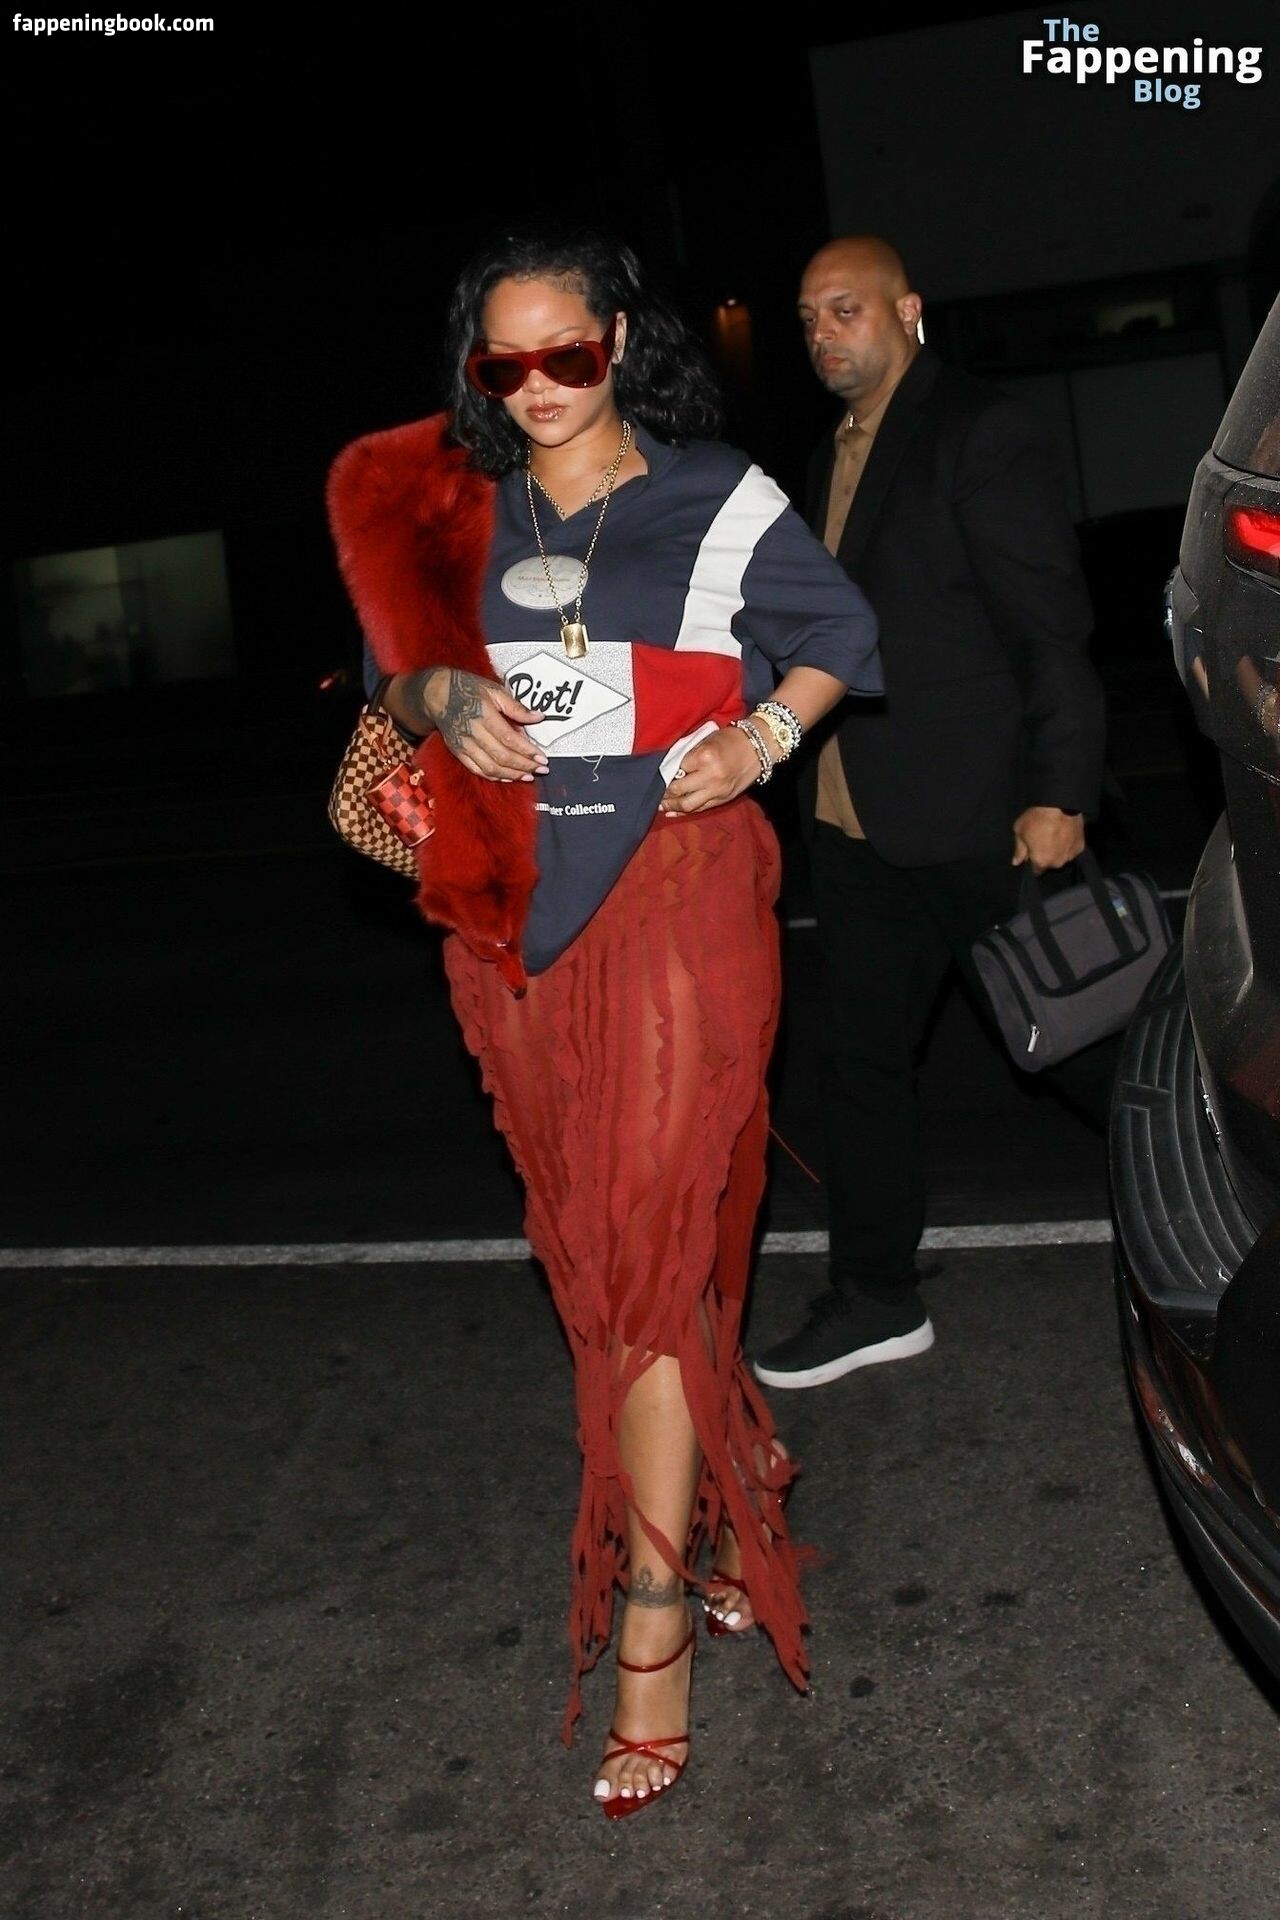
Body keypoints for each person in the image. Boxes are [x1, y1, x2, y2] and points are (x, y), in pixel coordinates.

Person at [326, 224, 881, 1818]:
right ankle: (731, 1480)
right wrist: (440, 698)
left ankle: (651, 1609)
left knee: (645, 1247)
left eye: (566, 353)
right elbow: (386, 682)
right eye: (503, 362)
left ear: (620, 341)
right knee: (614, 1250)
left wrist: (762, 738)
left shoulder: (716, 494)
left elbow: (841, 639)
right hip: (516, 919)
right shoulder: (455, 510)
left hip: (680, 893)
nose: (538, 386)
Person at [752, 236, 1106, 1393]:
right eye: (807, 318)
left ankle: (1233, 1200)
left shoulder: (976, 432)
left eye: (843, 310)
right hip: (853, 822)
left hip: (975, 813)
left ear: (906, 311)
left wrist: (1058, 791)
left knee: (1080, 1045)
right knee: (856, 1066)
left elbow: (1048, 627)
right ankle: (873, 1297)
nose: (822, 334)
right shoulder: (828, 454)